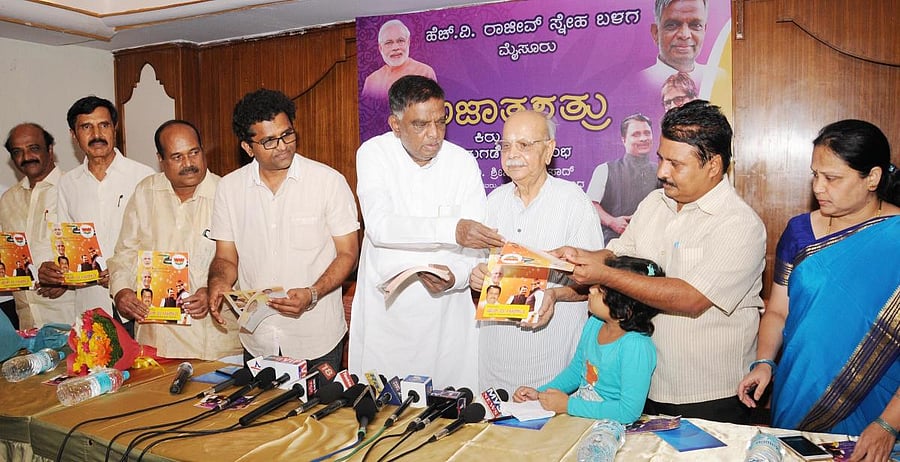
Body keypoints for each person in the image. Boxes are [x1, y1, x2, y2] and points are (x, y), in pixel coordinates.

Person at [555, 100, 766, 424]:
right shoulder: (656, 202)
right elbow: (618, 256)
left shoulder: (739, 225)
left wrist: (604, 275)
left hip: (708, 397)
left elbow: (690, 298)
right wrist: (578, 257)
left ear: (713, 165)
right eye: (661, 159)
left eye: (675, 164)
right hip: (644, 389)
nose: (661, 172)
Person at [737, 120, 900, 457]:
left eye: (832, 178)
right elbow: (779, 310)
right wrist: (764, 362)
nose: (819, 188)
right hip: (799, 391)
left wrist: (889, 424)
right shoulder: (799, 232)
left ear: (872, 177)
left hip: (881, 404)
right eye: (815, 175)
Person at [350, 75, 499, 390]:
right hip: (388, 321)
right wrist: (452, 229)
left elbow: (477, 247)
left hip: (446, 319)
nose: (434, 134)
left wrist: (455, 275)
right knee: (387, 418)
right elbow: (380, 227)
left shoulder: (462, 162)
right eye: (420, 125)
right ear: (395, 124)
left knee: (450, 419)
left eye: (440, 122)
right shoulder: (374, 154)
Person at [208, 89, 359, 369]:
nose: (283, 146)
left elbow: (348, 253)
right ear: (247, 147)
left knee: (318, 414)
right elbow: (226, 257)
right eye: (269, 141)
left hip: (316, 338)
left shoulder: (328, 182)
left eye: (287, 134)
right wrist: (218, 282)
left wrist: (313, 293)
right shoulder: (229, 189)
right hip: (258, 340)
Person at [467, 110, 604, 392]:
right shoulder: (493, 202)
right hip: (496, 361)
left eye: (524, 145)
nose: (512, 153)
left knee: (552, 436)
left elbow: (593, 283)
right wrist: (477, 278)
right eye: (505, 145)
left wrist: (554, 294)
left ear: (549, 150)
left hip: (553, 364)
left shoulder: (573, 202)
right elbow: (482, 274)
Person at [108, 119, 242, 360]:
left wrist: (215, 289)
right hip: (155, 343)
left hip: (214, 347)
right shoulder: (145, 192)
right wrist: (122, 292)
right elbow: (125, 253)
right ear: (160, 159)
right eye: (177, 157)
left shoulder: (228, 194)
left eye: (194, 153)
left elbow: (250, 265)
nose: (189, 164)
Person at [39, 96, 154, 322]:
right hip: (90, 306)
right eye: (86, 127)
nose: (97, 135)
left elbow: (159, 240)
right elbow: (66, 243)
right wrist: (57, 271)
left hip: (136, 304)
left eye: (104, 125)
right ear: (74, 135)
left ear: (115, 129)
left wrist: (122, 273)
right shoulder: (68, 183)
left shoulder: (144, 177)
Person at [514, 256, 663, 424]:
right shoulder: (594, 324)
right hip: (582, 417)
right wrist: (540, 394)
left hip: (611, 428)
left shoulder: (636, 347)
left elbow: (628, 412)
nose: (591, 290)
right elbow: (577, 370)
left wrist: (568, 405)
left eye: (601, 290)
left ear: (625, 309)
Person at [0, 123, 75, 328]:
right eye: (18, 152)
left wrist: (68, 279)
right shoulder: (7, 200)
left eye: (33, 148)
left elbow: (101, 249)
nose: (26, 157)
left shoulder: (74, 188)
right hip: (27, 323)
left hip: (71, 320)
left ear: (50, 150)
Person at [586, 114, 660, 243]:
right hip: (613, 247)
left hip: (652, 245)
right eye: (636, 134)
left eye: (647, 133)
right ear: (623, 139)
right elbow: (590, 205)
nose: (643, 138)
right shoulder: (605, 169)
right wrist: (612, 222)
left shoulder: (661, 172)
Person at [638, 0, 729, 102]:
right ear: (655, 33)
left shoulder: (719, 77)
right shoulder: (638, 80)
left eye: (695, 25)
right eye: (672, 25)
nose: (685, 35)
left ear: (704, 30)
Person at [361, 19, 437, 100]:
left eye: (400, 41)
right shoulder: (371, 81)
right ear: (380, 48)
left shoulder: (425, 72)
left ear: (408, 42)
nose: (395, 48)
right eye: (389, 43)